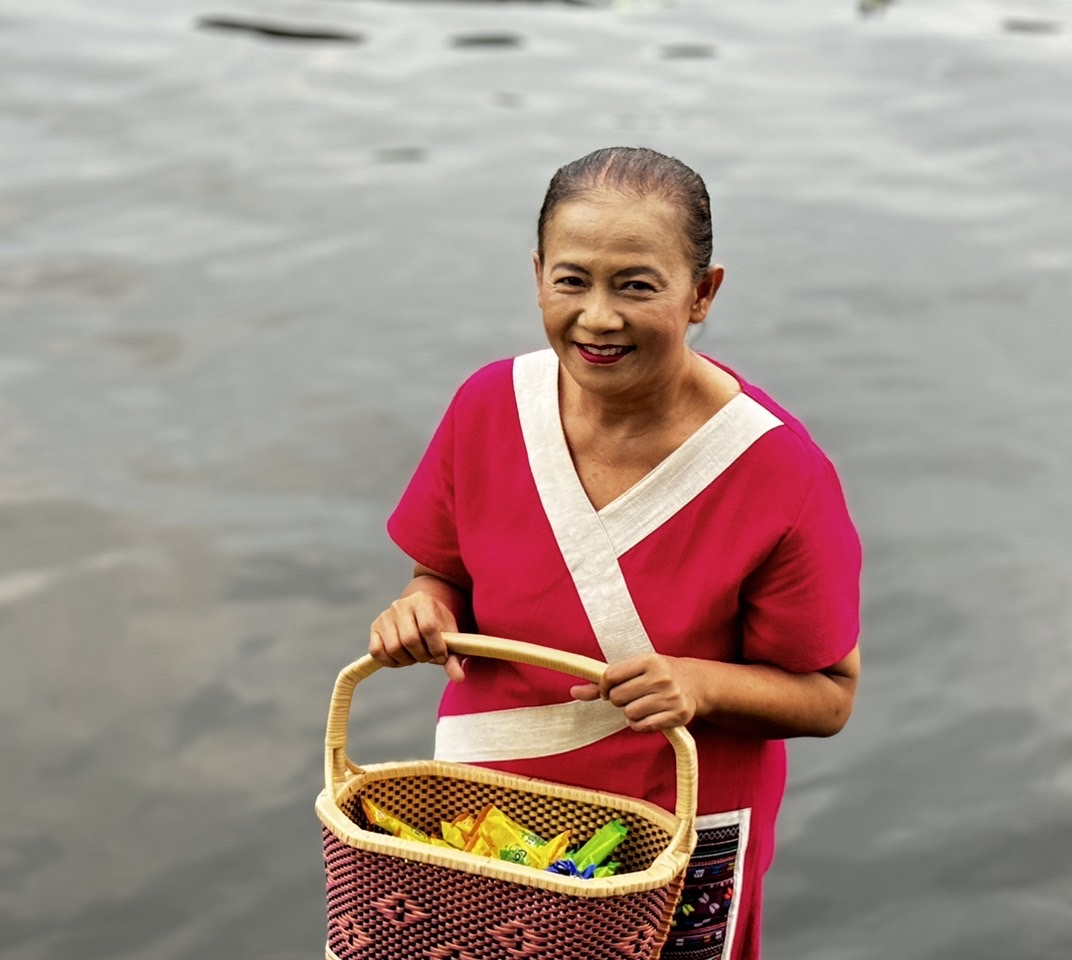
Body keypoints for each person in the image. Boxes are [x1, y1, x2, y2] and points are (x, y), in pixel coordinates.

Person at [368, 146, 862, 960]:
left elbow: (829, 696)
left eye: (637, 285)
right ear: (536, 277)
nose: (598, 318)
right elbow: (442, 571)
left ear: (702, 293)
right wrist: (424, 608)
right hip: (490, 804)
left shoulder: (779, 472)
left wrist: (696, 683)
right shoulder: (490, 405)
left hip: (672, 830)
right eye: (572, 281)